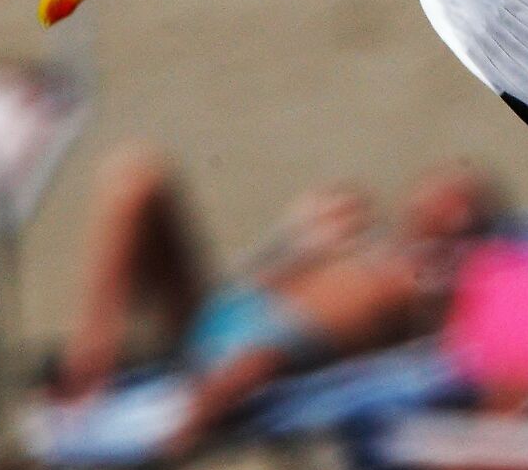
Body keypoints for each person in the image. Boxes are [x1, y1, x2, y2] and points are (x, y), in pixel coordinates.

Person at [52, 151, 504, 439]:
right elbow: (257, 280)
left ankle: (86, 380)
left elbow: (283, 350)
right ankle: (90, 360)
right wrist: (299, 239)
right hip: (226, 313)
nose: (450, 205)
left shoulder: (422, 281)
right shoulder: (376, 245)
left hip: (241, 353)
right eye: (442, 189)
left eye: (465, 201)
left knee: (135, 183)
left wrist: (190, 422)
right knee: (136, 181)